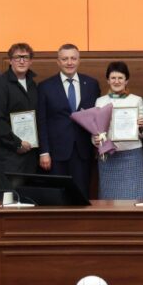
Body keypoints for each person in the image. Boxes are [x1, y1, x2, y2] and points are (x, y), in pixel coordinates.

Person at [36, 43, 100, 199]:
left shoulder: (91, 84)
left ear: (79, 60)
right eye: (65, 59)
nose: (69, 62)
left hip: (83, 151)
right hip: (56, 153)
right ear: (58, 62)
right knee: (58, 197)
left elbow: (98, 117)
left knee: (81, 195)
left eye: (73, 58)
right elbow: (41, 121)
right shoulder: (45, 86)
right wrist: (44, 152)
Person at [0, 43, 39, 192]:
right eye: (17, 57)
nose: (21, 61)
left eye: (25, 57)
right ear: (10, 60)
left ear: (31, 61)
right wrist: (17, 143)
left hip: (30, 152)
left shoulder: (32, 84)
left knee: (28, 196)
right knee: (9, 197)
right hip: (8, 153)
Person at [92, 62, 143, 200]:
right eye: (113, 78)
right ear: (108, 80)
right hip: (108, 156)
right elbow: (95, 130)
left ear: (126, 80)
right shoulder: (100, 101)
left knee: (134, 197)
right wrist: (95, 140)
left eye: (120, 78)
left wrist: (141, 127)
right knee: (109, 199)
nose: (116, 81)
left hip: (132, 156)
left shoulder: (136, 100)